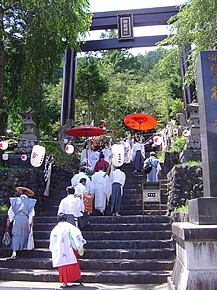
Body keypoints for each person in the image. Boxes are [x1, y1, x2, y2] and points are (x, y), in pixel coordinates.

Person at [49, 213, 86, 288]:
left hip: (60, 249)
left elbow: (53, 241)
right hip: (70, 249)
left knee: (63, 265)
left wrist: (53, 249)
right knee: (72, 262)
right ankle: (75, 278)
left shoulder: (55, 229)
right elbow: (77, 234)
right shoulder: (70, 226)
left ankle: (64, 282)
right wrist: (79, 244)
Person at [7, 186, 37, 259]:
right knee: (25, 233)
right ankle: (23, 249)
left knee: (15, 234)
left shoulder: (15, 201)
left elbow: (10, 213)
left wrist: (8, 222)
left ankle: (14, 252)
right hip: (25, 218)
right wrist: (31, 224)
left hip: (16, 218)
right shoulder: (30, 202)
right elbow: (31, 214)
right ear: (27, 194)